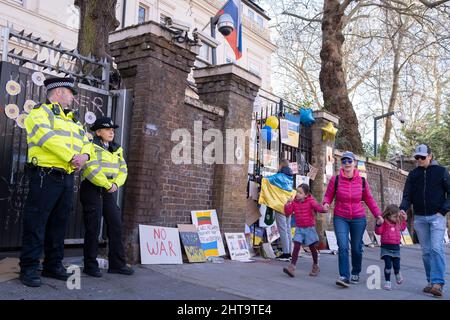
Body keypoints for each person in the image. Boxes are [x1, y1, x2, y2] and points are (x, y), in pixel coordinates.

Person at [19, 77, 91, 287]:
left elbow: (86, 142)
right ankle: (29, 268)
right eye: (70, 93)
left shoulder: (74, 121)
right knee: (36, 222)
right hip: (45, 175)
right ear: (59, 92)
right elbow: (48, 139)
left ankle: (53, 265)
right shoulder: (39, 113)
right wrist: (72, 156)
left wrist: (84, 156)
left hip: (66, 177)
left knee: (59, 224)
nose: (73, 98)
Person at [80, 117, 133, 277]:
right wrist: (107, 184)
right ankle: (90, 265)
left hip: (110, 189)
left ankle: (117, 264)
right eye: (107, 129)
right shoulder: (90, 146)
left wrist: (116, 184)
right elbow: (91, 168)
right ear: (98, 132)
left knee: (116, 224)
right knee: (93, 227)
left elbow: (123, 169)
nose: (112, 132)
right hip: (92, 188)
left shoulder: (116, 148)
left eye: (113, 129)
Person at [323, 151, 383, 288]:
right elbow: (328, 196)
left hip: (358, 218)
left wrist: (378, 215)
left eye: (349, 161)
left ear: (355, 163)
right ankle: (344, 276)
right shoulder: (335, 179)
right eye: (344, 161)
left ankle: (355, 271)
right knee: (343, 246)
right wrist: (325, 203)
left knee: (356, 248)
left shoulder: (361, 181)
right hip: (341, 217)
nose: (346, 164)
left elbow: (369, 199)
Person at [400, 144, 450, 297]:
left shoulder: (441, 172)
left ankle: (438, 282)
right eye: (417, 157)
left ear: (430, 155)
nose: (419, 160)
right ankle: (431, 281)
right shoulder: (413, 174)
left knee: (436, 248)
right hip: (420, 218)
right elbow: (407, 194)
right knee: (426, 252)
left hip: (437, 217)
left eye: (422, 157)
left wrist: (442, 211)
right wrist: (403, 208)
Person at [283, 184, 327, 277]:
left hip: (309, 228)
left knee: (312, 247)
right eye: (297, 192)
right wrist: (287, 204)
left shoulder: (311, 201)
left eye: (300, 193)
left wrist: (324, 209)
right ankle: (292, 267)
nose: (297, 194)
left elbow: (318, 208)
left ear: (306, 195)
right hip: (299, 228)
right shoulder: (294, 202)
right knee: (296, 246)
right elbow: (288, 213)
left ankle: (315, 265)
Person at [375, 204, 407, 290]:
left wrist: (404, 219)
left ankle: (397, 273)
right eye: (395, 216)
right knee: (388, 266)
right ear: (388, 215)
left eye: (398, 216)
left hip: (396, 248)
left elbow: (403, 228)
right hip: (386, 248)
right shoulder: (384, 222)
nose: (397, 218)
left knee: (397, 265)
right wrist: (378, 224)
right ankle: (387, 282)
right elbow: (378, 232)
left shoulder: (398, 222)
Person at [274, 159, 294, 261]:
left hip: (280, 205)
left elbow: (269, 181)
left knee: (283, 229)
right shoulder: (290, 176)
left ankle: (286, 253)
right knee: (287, 229)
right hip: (288, 205)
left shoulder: (279, 176)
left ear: (281, 165)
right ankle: (289, 252)